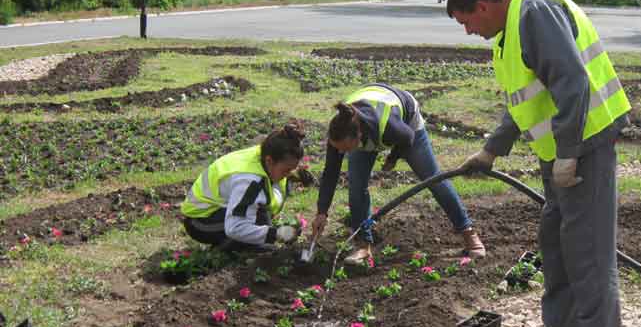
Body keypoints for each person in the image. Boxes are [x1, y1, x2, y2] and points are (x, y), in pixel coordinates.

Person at [448, 0, 631, 327]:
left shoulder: (534, 14)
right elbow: (524, 99)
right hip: (559, 155)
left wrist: (569, 152)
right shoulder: (510, 34)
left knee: (588, 251)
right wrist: (492, 150)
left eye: (466, 21)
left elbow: (572, 81)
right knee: (556, 242)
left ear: (483, 6)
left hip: (585, 147)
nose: (469, 31)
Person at [311, 83, 484, 265]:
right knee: (356, 185)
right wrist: (322, 212)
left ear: (358, 136)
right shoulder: (339, 132)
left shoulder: (391, 127)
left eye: (346, 149)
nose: (343, 153)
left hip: (407, 121)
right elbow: (331, 172)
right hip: (367, 123)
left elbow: (407, 138)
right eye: (340, 150)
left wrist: (393, 158)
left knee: (433, 179)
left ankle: (470, 235)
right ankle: (363, 245)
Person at [180, 124, 305, 252]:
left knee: (260, 218)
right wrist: (276, 234)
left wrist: (295, 174)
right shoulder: (250, 181)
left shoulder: (266, 152)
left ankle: (242, 246)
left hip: (216, 209)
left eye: (293, 168)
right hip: (200, 221)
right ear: (269, 161)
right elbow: (235, 228)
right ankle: (224, 250)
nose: (290, 173)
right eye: (287, 170)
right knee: (259, 234)